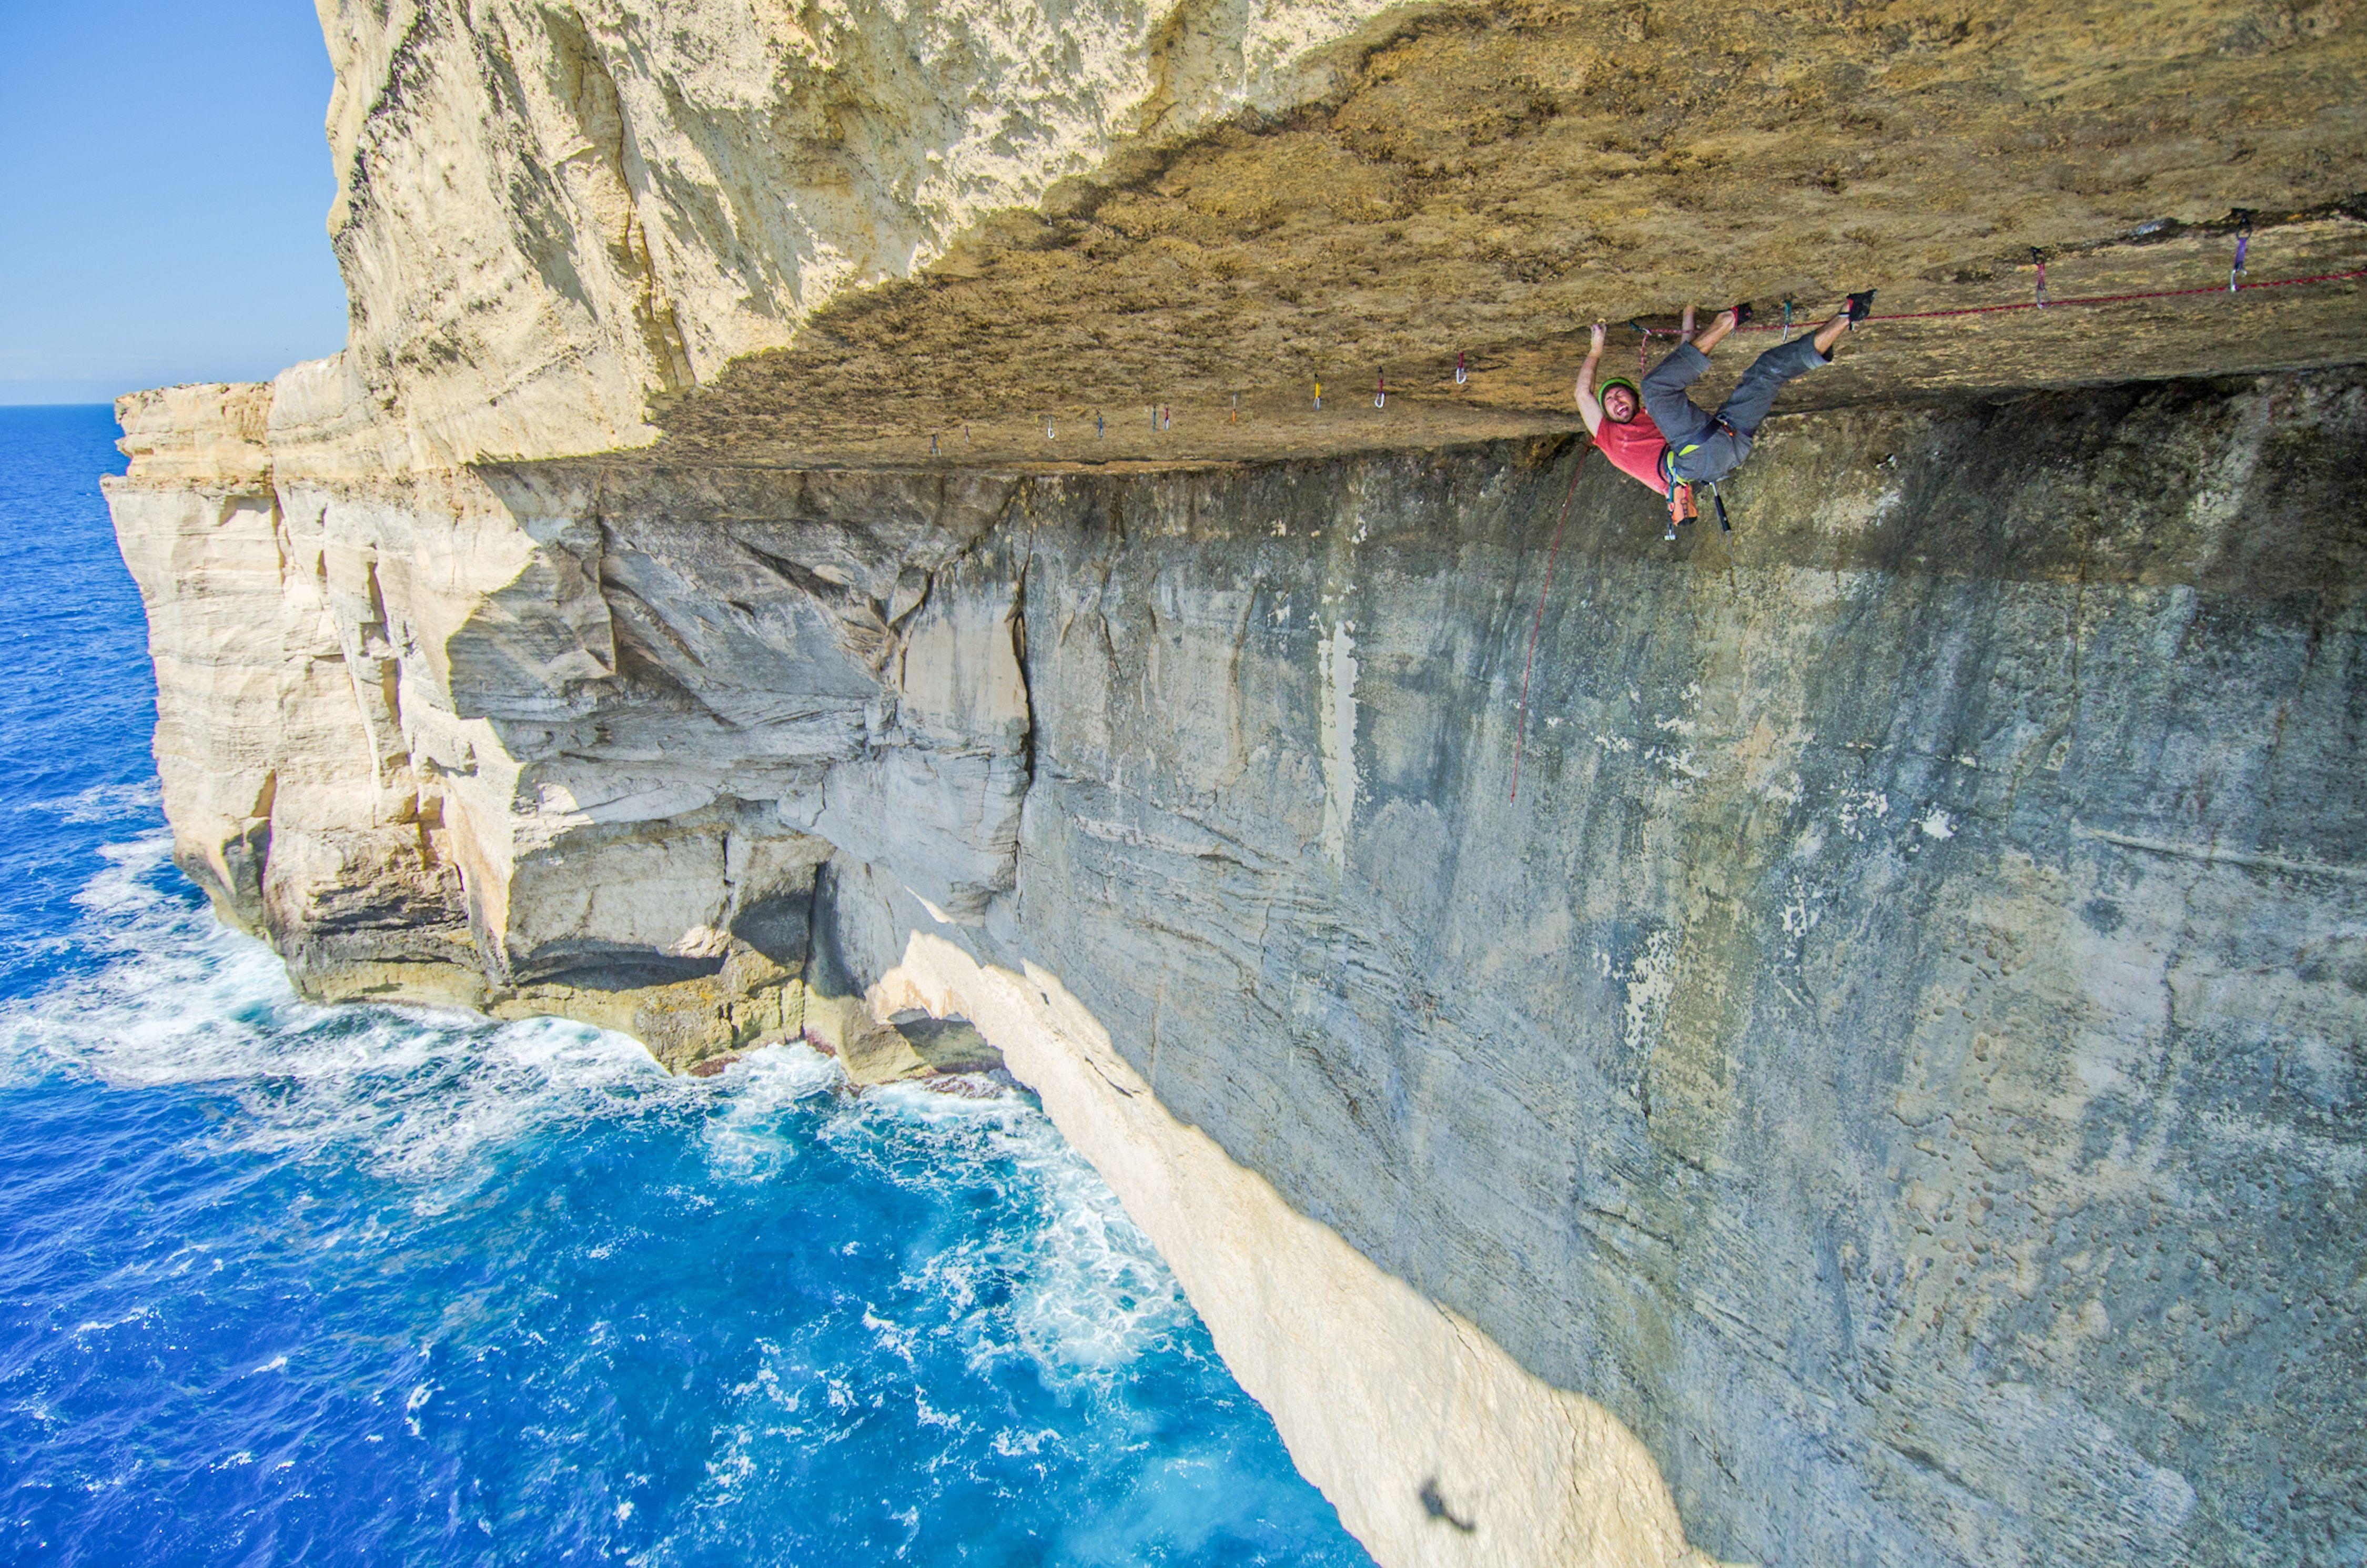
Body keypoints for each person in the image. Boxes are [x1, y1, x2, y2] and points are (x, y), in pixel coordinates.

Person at [1575, 293, 1874, 536]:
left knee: (1767, 371)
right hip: (1697, 459)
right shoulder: (1608, 436)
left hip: (1725, 448)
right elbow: (1582, 394)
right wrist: (1596, 350)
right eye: (1610, 400)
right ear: (1606, 414)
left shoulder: (1652, 418)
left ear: (1632, 400)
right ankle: (1728, 320)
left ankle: (1847, 315)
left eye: (1620, 393)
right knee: (1656, 386)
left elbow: (1684, 357)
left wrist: (1689, 308)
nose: (1616, 400)